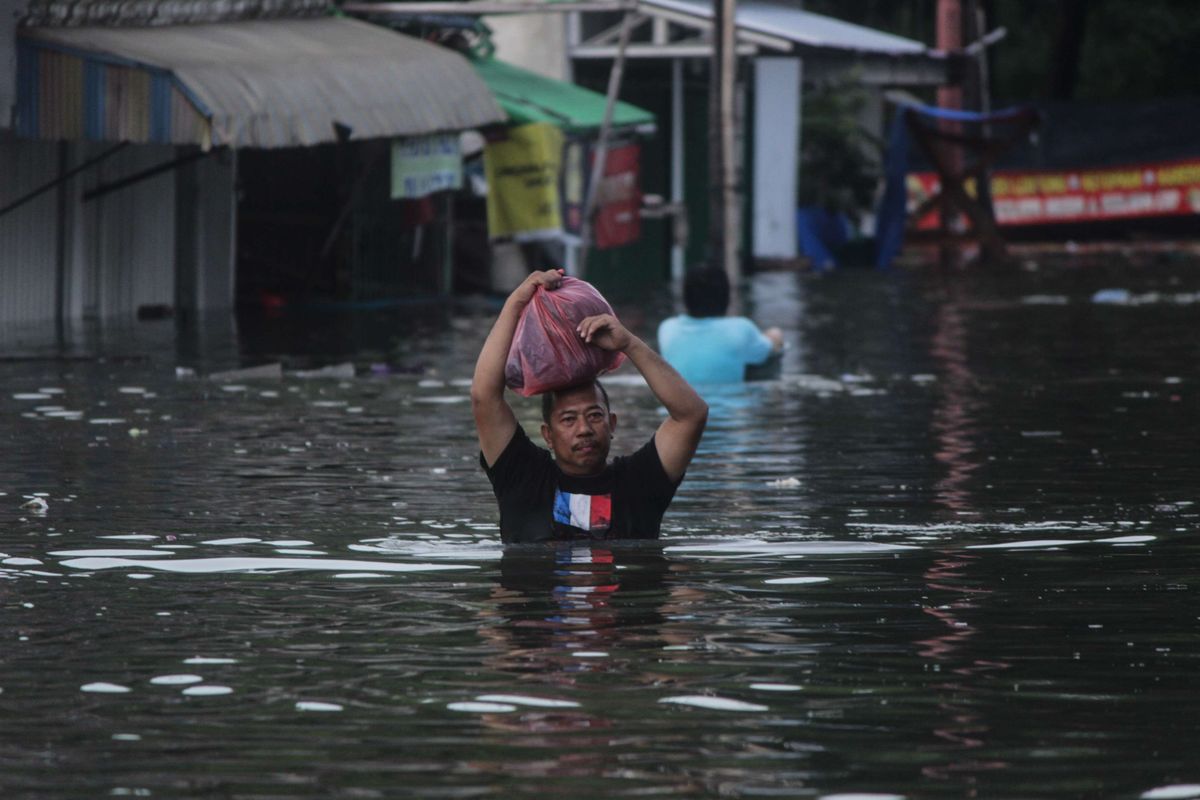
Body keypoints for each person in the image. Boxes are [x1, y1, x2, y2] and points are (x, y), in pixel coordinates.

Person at [472, 268, 708, 543]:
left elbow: (692, 414)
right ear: (548, 434)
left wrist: (629, 344)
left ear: (612, 424)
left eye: (595, 415)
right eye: (569, 420)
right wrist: (515, 302)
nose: (584, 429)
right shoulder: (524, 479)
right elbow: (484, 397)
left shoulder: (639, 482)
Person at [657, 265, 784, 384]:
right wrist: (775, 334)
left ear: (685, 297)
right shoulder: (741, 328)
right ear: (727, 297)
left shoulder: (667, 328)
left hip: (676, 407)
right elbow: (771, 349)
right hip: (732, 405)